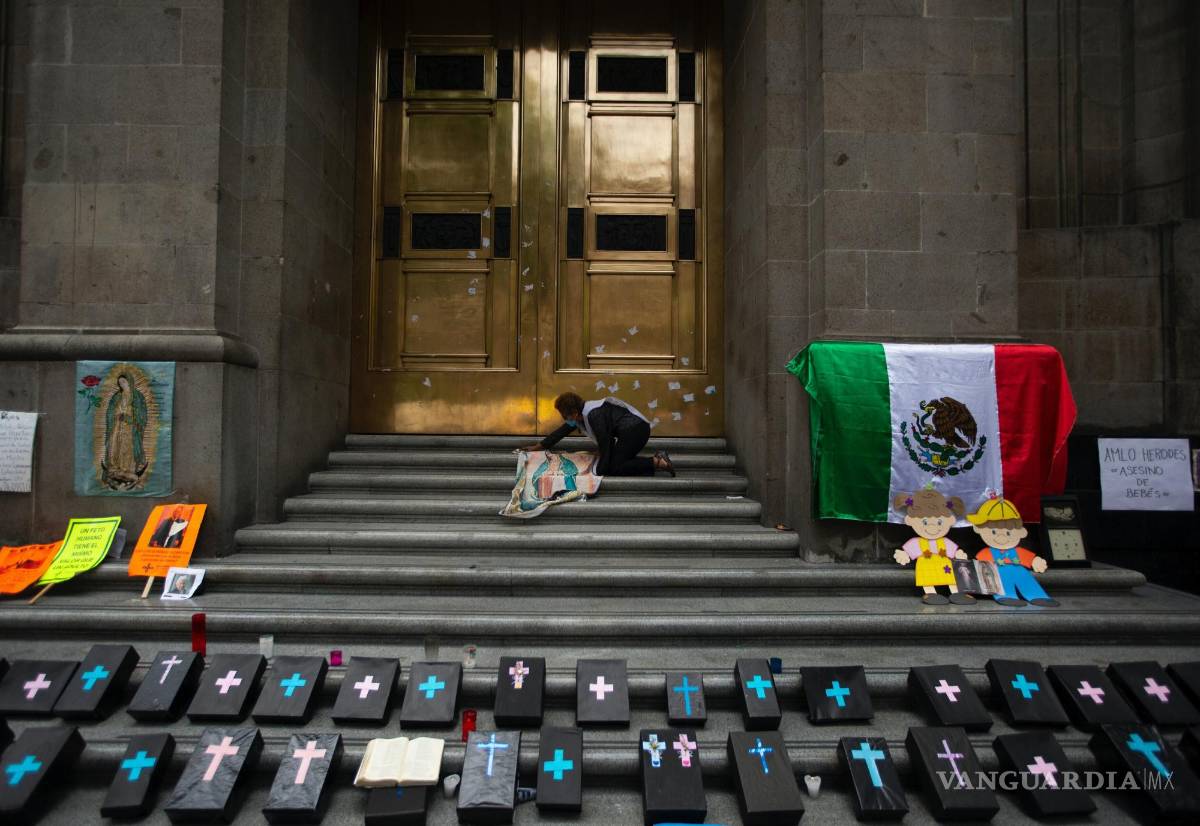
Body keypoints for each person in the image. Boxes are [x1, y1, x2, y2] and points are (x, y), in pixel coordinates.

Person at [522, 392, 675, 477]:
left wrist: (600, 469)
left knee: (613, 467)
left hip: (635, 431)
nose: (565, 419)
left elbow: (605, 441)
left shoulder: (593, 413)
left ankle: (658, 461)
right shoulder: (580, 415)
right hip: (631, 431)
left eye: (565, 415)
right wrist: (539, 446)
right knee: (613, 465)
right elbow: (561, 431)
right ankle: (655, 462)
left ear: (574, 413)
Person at [969, 496, 1058, 607]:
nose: (1001, 536)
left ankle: (1037, 596)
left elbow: (1029, 558)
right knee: (1002, 578)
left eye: (1008, 533)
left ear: (1021, 532)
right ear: (979, 529)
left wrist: (1036, 561)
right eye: (994, 532)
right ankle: (1007, 596)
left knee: (1025, 577)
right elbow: (978, 564)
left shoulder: (1018, 551)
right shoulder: (986, 553)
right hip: (998, 573)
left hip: (1018, 570)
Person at [892, 488, 975, 606]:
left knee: (950, 578)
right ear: (911, 520)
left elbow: (954, 551)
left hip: (944, 566)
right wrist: (904, 555)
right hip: (926, 566)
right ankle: (931, 594)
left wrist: (958, 554)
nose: (932, 526)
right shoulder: (917, 542)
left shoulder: (945, 542)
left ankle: (956, 593)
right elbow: (909, 551)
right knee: (927, 579)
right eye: (925, 522)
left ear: (950, 521)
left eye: (939, 522)